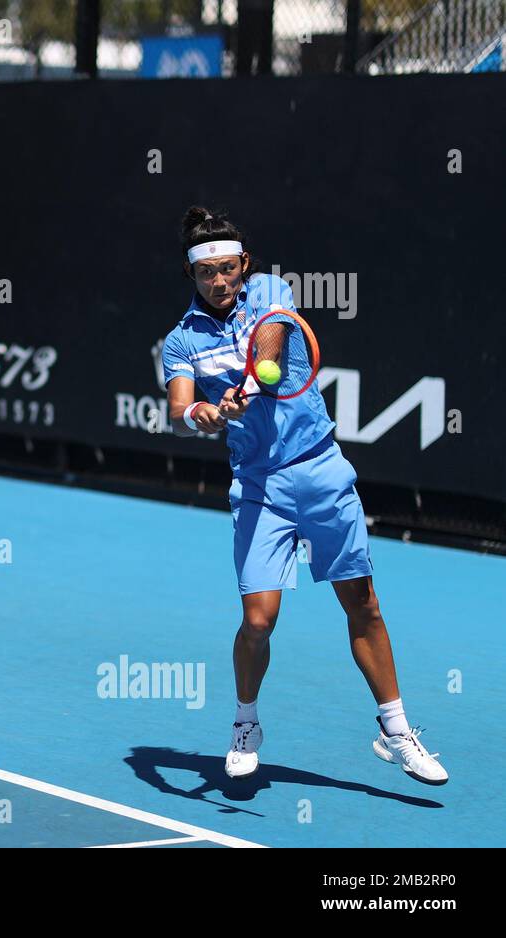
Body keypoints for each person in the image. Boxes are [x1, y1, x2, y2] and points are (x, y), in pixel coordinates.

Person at [160, 206, 446, 785]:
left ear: (243, 264)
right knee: (258, 621)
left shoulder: (271, 288)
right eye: (205, 272)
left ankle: (396, 730)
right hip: (260, 487)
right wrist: (208, 413)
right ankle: (246, 722)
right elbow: (178, 410)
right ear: (190, 277)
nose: (218, 281)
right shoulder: (181, 341)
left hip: (320, 471)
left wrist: (258, 373)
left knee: (361, 601)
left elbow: (269, 346)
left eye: (226, 268)